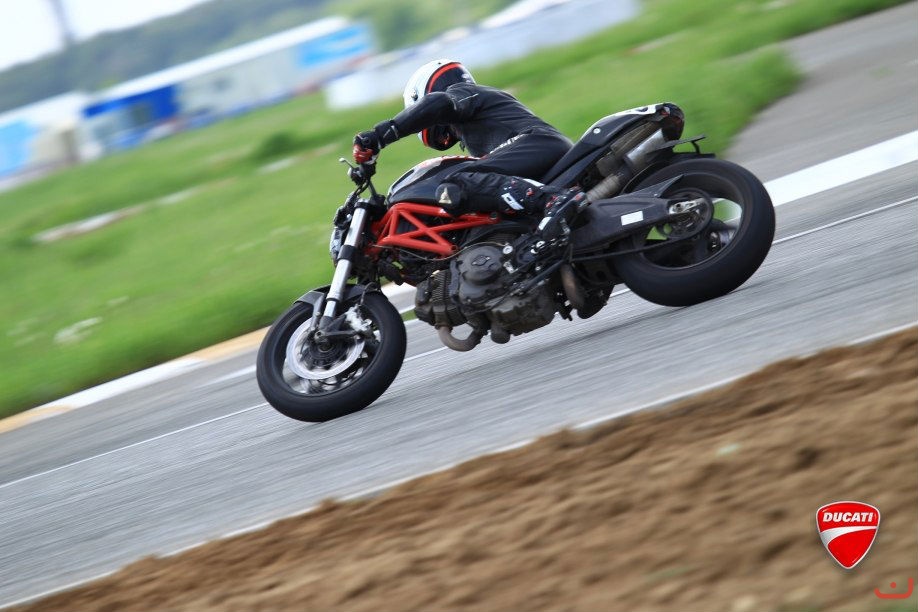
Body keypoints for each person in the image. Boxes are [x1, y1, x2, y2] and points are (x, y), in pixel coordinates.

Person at [352, 59, 586, 229]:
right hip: (541, 149)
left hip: (536, 142)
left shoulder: (461, 92)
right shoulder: (476, 119)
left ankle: (553, 200)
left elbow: (439, 103)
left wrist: (381, 135)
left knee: (455, 183)